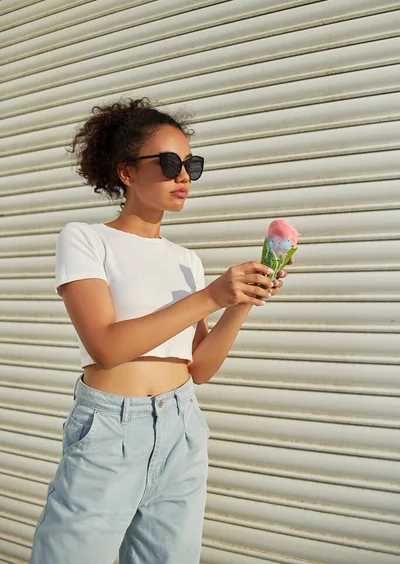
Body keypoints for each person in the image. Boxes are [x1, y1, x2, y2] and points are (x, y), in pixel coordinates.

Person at [29, 97, 291, 564]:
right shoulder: (85, 238)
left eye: (192, 164)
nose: (184, 176)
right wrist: (212, 295)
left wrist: (242, 300)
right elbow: (106, 347)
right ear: (126, 172)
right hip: (111, 429)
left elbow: (200, 368)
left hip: (182, 426)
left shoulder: (185, 259)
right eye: (170, 163)